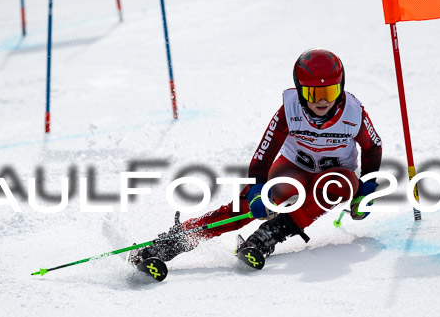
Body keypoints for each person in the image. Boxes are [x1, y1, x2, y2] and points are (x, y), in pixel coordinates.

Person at [129, 48, 382, 267]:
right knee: (249, 207)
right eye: (314, 94)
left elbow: (373, 147)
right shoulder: (289, 111)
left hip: (334, 175)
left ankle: (268, 235)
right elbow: (263, 155)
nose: (323, 101)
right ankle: (177, 240)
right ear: (300, 89)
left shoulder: (353, 113)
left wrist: (367, 189)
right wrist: (257, 189)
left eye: (330, 91)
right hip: (295, 168)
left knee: (342, 182)